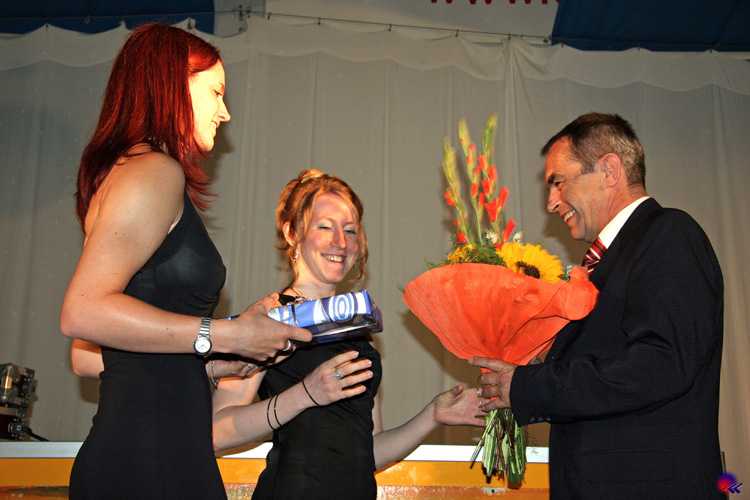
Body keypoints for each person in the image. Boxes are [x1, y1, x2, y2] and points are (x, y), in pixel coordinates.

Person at [60, 24, 311, 500]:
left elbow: (94, 357)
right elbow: (82, 313)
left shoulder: (133, 171)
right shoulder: (155, 170)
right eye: (215, 92)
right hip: (147, 457)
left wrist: (211, 364)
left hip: (155, 448)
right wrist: (227, 334)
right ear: (171, 84)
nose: (225, 112)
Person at [471, 113, 724, 499]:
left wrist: (528, 386)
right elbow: (611, 360)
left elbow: (659, 364)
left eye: (558, 182)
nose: (551, 203)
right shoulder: (605, 264)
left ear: (609, 170)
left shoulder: (668, 234)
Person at [210, 169, 486, 499]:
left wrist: (432, 415)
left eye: (350, 230)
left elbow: (368, 451)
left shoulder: (360, 332)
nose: (340, 242)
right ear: (292, 233)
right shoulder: (267, 318)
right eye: (325, 227)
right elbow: (216, 433)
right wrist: (306, 394)